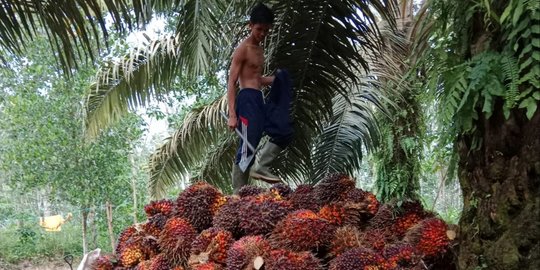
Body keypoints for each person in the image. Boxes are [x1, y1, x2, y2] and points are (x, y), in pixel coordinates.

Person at [227, 3, 293, 194]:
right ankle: (238, 194)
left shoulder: (259, 50)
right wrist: (232, 114)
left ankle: (261, 165)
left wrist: (278, 80)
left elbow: (256, 79)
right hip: (246, 99)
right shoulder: (243, 49)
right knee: (248, 145)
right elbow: (232, 82)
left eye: (266, 30)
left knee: (283, 131)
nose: (262, 34)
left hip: (258, 98)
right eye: (259, 29)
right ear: (250, 25)